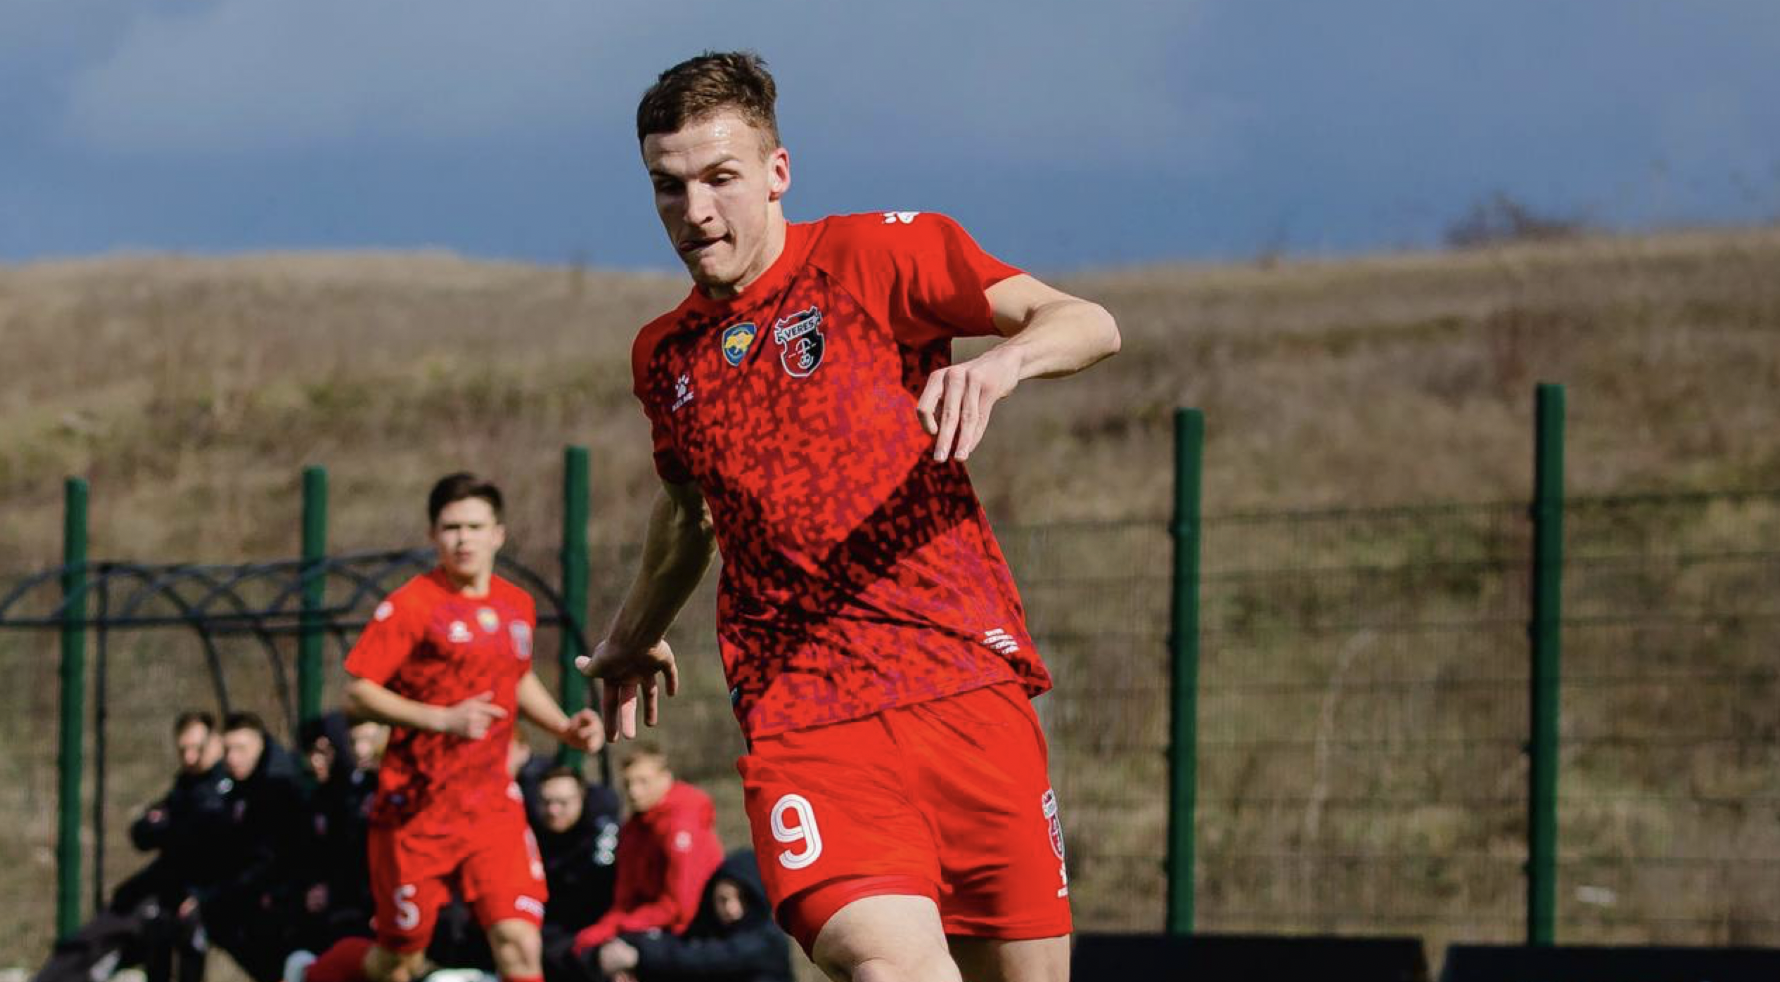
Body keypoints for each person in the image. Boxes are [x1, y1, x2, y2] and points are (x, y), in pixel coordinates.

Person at [577, 51, 1119, 982]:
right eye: (669, 187)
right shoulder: (665, 355)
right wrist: (631, 635)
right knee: (892, 968)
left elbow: (1086, 321)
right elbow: (688, 514)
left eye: (720, 178)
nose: (694, 211)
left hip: (961, 683)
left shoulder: (879, 256)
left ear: (777, 171)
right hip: (804, 712)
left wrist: (1003, 363)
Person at [302, 473, 602, 982]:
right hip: (416, 813)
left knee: (520, 944)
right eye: (451, 528)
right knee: (399, 960)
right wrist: (441, 718)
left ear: (498, 534)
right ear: (433, 535)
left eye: (475, 527)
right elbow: (358, 694)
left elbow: (516, 676)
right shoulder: (412, 605)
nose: (464, 539)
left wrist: (563, 728)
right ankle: (317, 974)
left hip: (492, 808)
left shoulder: (517, 605)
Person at [34, 712, 231, 982]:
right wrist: (170, 825)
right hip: (161, 888)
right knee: (101, 934)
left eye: (197, 748)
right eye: (183, 749)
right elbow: (143, 833)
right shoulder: (185, 785)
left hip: (200, 893)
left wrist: (170, 826)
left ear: (217, 741)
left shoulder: (225, 786)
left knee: (172, 933)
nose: (189, 757)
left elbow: (201, 835)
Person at [570, 746, 723, 962]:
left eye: (643, 782)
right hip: (649, 923)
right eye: (628, 784)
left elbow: (680, 906)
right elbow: (625, 898)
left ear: (665, 778)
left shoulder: (681, 824)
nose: (634, 791)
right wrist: (604, 929)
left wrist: (620, 928)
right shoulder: (633, 830)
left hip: (690, 932)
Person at [201, 711, 311, 982]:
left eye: (240, 748)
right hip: (253, 886)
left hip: (286, 890)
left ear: (260, 743)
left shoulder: (280, 784)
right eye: (228, 750)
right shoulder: (234, 786)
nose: (232, 758)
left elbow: (282, 854)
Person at [595, 849, 792, 982]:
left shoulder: (767, 940)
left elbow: (703, 959)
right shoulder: (707, 932)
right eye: (722, 899)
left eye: (742, 899)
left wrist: (637, 955)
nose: (731, 908)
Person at [531, 767, 621, 982]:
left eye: (563, 802)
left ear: (581, 799)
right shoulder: (530, 835)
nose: (553, 810)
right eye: (546, 802)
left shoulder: (604, 836)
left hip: (597, 933)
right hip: (548, 934)